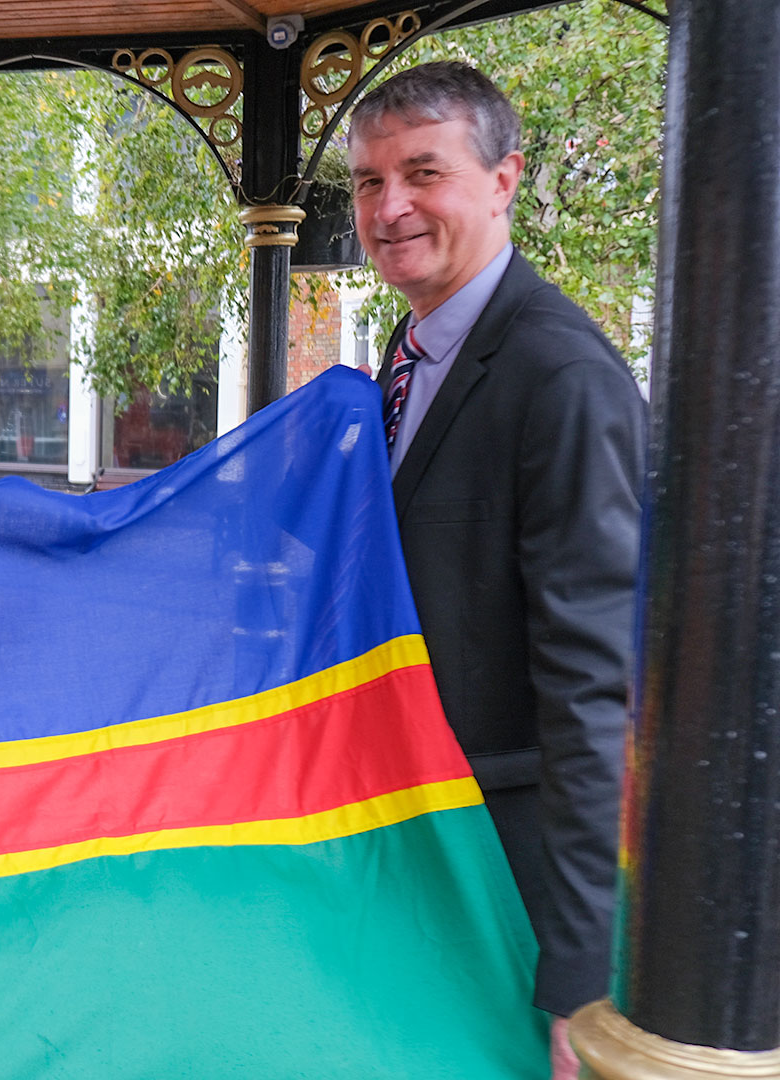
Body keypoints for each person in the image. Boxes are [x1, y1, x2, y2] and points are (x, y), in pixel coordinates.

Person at [349, 62, 646, 1078]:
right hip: (415, 842)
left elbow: (591, 685)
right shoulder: (411, 348)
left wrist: (576, 974)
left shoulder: (559, 376)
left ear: (504, 180)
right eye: (367, 182)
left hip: (507, 874)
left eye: (422, 174)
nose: (390, 209)